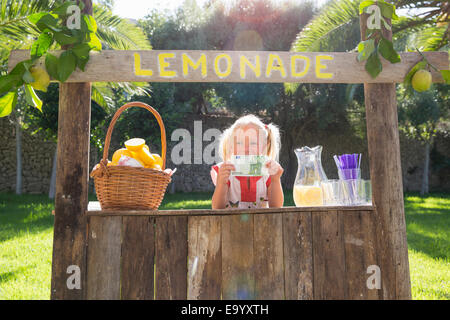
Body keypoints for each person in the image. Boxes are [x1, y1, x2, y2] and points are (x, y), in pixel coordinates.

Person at [211, 114, 284, 209]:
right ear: (231, 146)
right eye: (239, 143)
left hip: (263, 223)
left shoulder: (269, 172)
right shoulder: (224, 171)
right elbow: (217, 208)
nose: (246, 149)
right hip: (229, 223)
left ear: (264, 147)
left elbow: (276, 207)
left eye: (253, 143)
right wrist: (221, 182)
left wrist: (275, 180)